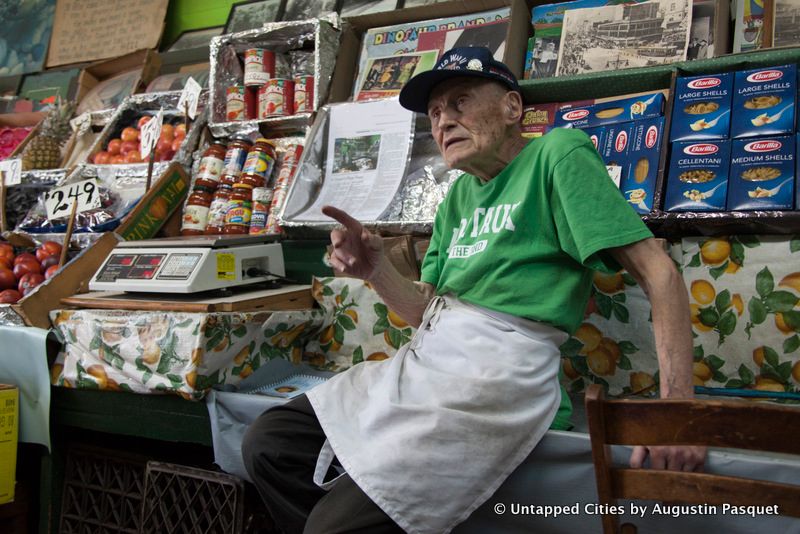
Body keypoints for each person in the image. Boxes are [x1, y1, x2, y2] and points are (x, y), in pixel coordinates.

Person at [242, 47, 705, 534]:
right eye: (436, 112)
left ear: (511, 108)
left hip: (498, 375)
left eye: (460, 101)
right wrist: (376, 269)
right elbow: (426, 311)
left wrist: (678, 411)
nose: (444, 121)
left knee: (331, 529)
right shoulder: (457, 198)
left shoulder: (557, 154)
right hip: (430, 365)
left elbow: (660, 274)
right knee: (269, 443)